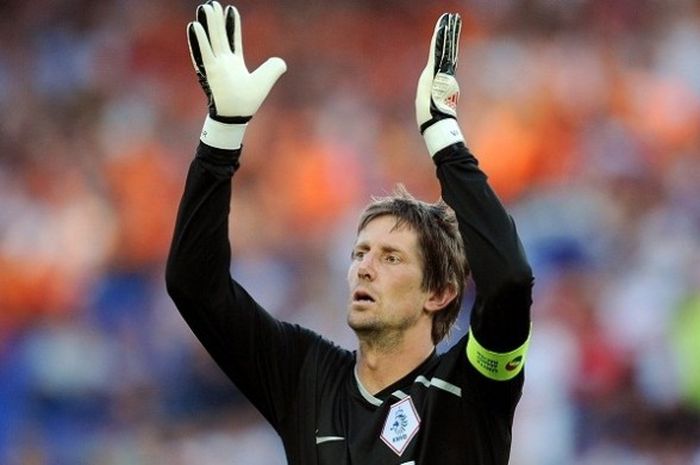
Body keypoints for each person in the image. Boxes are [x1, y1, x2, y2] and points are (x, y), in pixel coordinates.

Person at [166, 2, 534, 464]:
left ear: (438, 293)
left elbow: (510, 280)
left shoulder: (471, 385)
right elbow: (194, 286)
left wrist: (444, 138)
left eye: (391, 257)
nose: (365, 268)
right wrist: (222, 135)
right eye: (360, 253)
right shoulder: (306, 377)